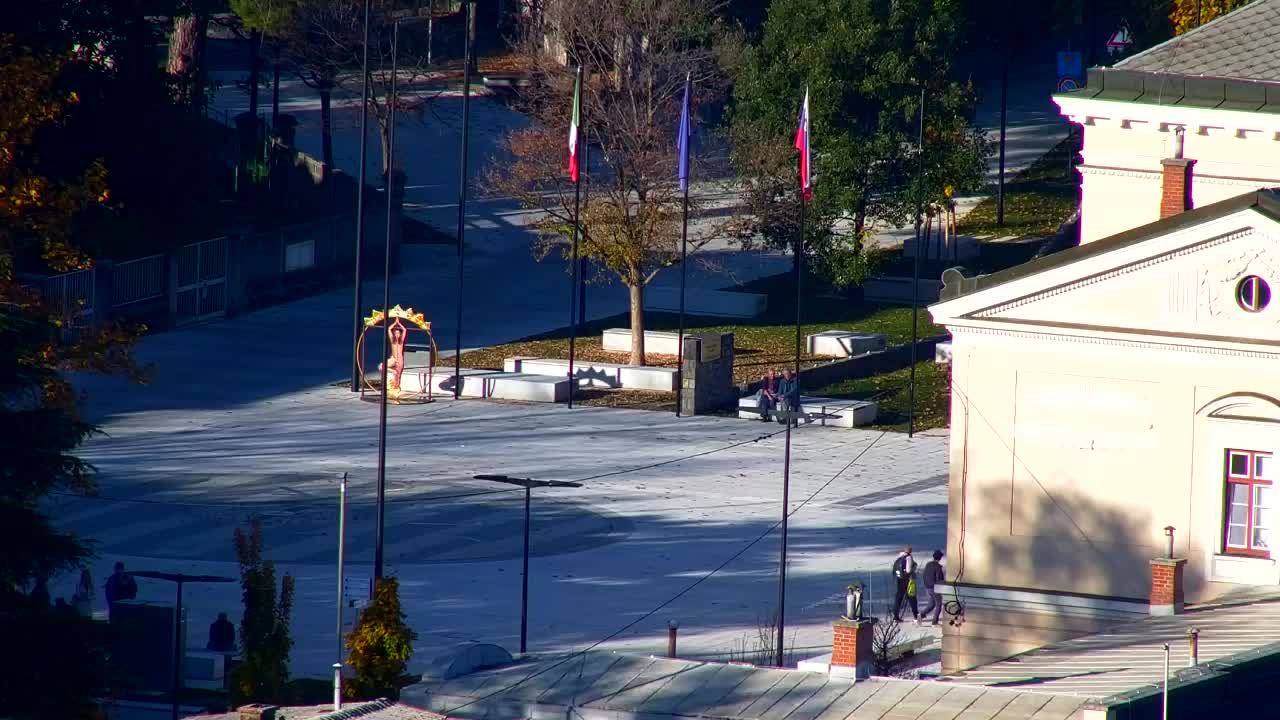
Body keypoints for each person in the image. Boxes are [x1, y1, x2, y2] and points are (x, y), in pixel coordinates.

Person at [892, 545, 919, 622]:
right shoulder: (909, 557)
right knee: (912, 597)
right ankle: (916, 616)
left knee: (899, 598)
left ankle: (895, 615)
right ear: (910, 551)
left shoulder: (899, 556)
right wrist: (914, 567)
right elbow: (908, 570)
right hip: (907, 580)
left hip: (899, 579)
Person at [920, 550, 946, 626]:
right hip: (935, 588)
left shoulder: (928, 564)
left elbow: (925, 575)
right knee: (939, 604)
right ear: (940, 558)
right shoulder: (937, 567)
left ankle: (921, 615)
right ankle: (935, 622)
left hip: (928, 587)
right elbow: (939, 579)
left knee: (932, 604)